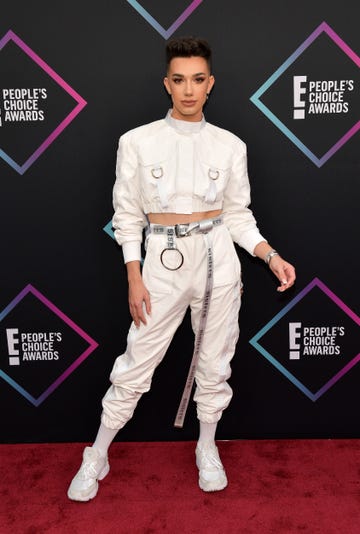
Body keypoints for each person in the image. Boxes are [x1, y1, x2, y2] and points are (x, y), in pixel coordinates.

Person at [67, 36, 296, 501]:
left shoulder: (230, 146)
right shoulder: (136, 142)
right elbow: (127, 216)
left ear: (210, 84)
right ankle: (98, 454)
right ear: (166, 84)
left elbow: (237, 215)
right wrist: (134, 275)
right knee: (136, 362)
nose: (188, 90)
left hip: (219, 260)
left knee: (215, 362)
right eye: (178, 80)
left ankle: (206, 447)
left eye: (197, 80)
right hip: (162, 263)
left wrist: (270, 255)